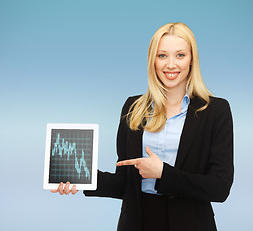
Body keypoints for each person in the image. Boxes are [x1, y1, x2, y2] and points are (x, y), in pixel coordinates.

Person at [51, 22, 234, 231]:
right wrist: (83, 179)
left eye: (180, 55)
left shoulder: (215, 111)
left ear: (192, 59)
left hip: (191, 223)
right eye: (162, 55)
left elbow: (219, 188)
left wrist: (163, 173)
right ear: (152, 60)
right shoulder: (133, 107)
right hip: (137, 222)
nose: (171, 64)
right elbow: (124, 183)